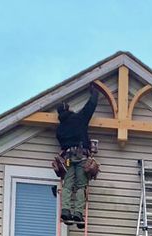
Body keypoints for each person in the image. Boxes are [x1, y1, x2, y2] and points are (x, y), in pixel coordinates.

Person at [56, 84, 99, 228]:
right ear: (68, 109)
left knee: (68, 185)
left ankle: (66, 210)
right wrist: (94, 92)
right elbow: (90, 106)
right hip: (81, 157)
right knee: (81, 186)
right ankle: (78, 213)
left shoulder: (60, 129)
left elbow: (62, 143)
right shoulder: (79, 118)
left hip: (67, 158)